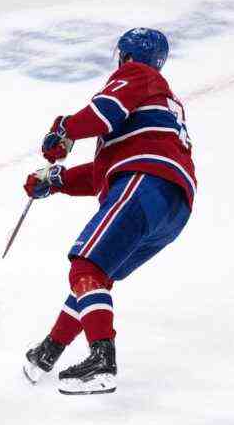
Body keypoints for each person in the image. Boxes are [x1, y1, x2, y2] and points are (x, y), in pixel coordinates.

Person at [21, 28, 195, 394]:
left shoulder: (140, 75)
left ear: (126, 56)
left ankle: (103, 360)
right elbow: (103, 176)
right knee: (95, 276)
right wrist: (56, 179)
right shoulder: (156, 110)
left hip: (147, 181)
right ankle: (50, 351)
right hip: (171, 206)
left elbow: (103, 112)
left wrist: (65, 130)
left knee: (85, 266)